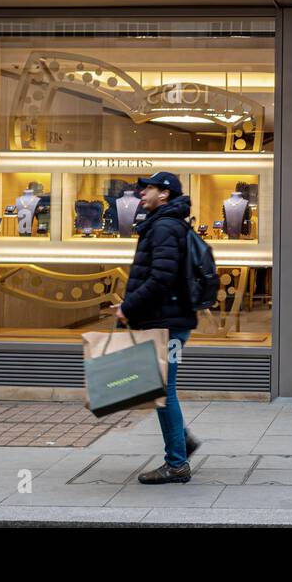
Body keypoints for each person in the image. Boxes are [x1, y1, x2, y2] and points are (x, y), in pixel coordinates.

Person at [115, 171, 202, 485]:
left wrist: (128, 306)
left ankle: (177, 464)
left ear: (164, 194)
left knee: (164, 392)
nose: (141, 193)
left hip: (168, 323)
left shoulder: (164, 226)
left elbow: (160, 279)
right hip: (165, 320)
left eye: (147, 188)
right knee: (157, 388)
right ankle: (183, 442)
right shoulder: (162, 223)